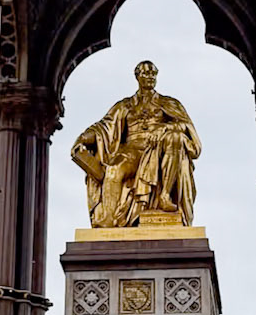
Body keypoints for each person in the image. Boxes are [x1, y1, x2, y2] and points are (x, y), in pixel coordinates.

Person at [72, 61, 200, 228]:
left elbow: (185, 126)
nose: (150, 77)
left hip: (159, 149)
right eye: (146, 73)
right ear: (137, 76)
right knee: (113, 170)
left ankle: (165, 195)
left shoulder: (169, 103)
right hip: (131, 151)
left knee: (175, 138)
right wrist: (83, 138)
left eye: (153, 73)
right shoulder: (125, 105)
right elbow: (103, 128)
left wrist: (165, 128)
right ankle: (107, 223)